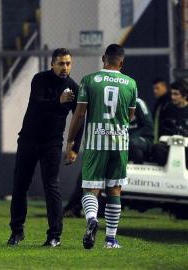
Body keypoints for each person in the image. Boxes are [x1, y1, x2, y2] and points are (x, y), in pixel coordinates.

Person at [7, 48, 84, 247]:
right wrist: (59, 101)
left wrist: (74, 146)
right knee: (20, 185)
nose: (65, 67)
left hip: (52, 143)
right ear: (52, 64)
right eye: (61, 63)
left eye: (68, 63)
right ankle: (16, 232)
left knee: (52, 187)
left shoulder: (74, 88)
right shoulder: (39, 79)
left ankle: (54, 236)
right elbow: (38, 105)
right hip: (29, 140)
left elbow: (79, 119)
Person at [65, 44, 137, 249]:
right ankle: (111, 240)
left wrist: (70, 141)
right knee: (114, 190)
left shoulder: (89, 80)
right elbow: (130, 116)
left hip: (96, 142)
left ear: (104, 58)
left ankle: (92, 220)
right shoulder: (130, 83)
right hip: (120, 144)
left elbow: (79, 114)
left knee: (90, 188)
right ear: (121, 62)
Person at [63, 97, 152, 218]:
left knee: (111, 177)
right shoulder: (110, 104)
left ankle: (92, 209)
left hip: (133, 145)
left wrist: (127, 137)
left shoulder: (138, 103)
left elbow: (148, 127)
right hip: (114, 145)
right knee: (87, 173)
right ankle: (75, 207)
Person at [151, 80, 188, 167]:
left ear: (185, 95)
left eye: (176, 94)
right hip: (169, 146)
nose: (172, 97)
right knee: (157, 148)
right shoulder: (167, 108)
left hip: (186, 147)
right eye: (172, 94)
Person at [128, 98, 153, 164]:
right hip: (125, 138)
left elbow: (148, 126)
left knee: (132, 143)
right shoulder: (115, 103)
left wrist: (130, 137)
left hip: (143, 138)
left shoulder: (139, 103)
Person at [152, 78, 170, 144]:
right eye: (154, 89)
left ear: (164, 87)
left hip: (166, 139)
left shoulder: (169, 102)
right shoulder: (159, 103)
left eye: (157, 88)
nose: (155, 91)